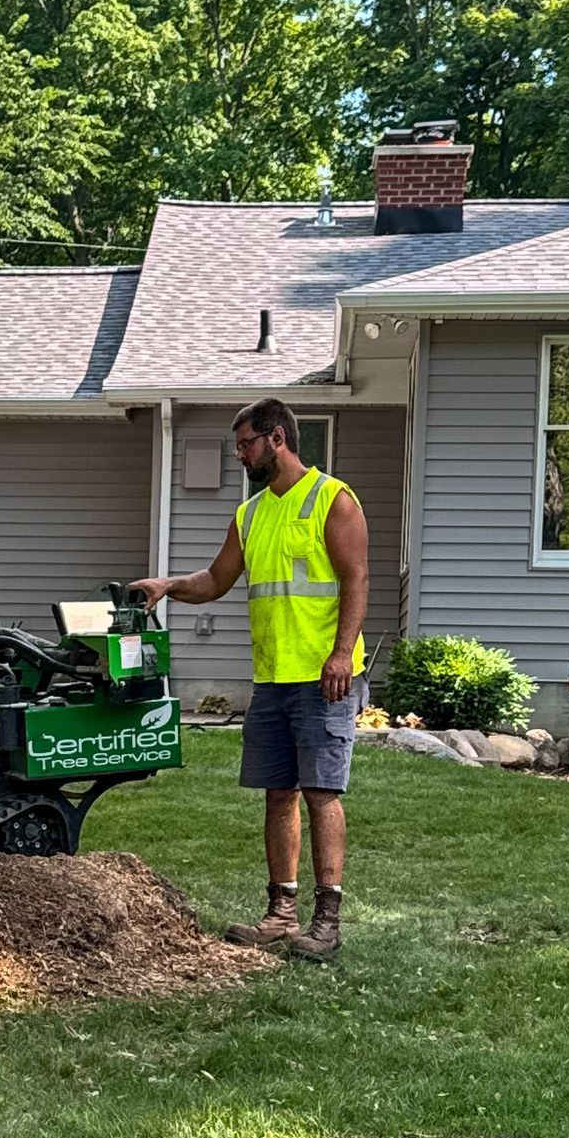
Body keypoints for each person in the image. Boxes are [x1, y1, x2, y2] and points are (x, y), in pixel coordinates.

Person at [135, 398, 368, 961]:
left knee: (321, 794)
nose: (239, 455)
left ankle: (327, 923)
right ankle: (281, 915)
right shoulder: (251, 513)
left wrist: (341, 654)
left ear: (278, 439)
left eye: (246, 445)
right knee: (277, 795)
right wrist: (168, 585)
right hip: (273, 679)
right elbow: (216, 580)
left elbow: (357, 578)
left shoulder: (332, 500)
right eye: (238, 446)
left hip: (324, 678)